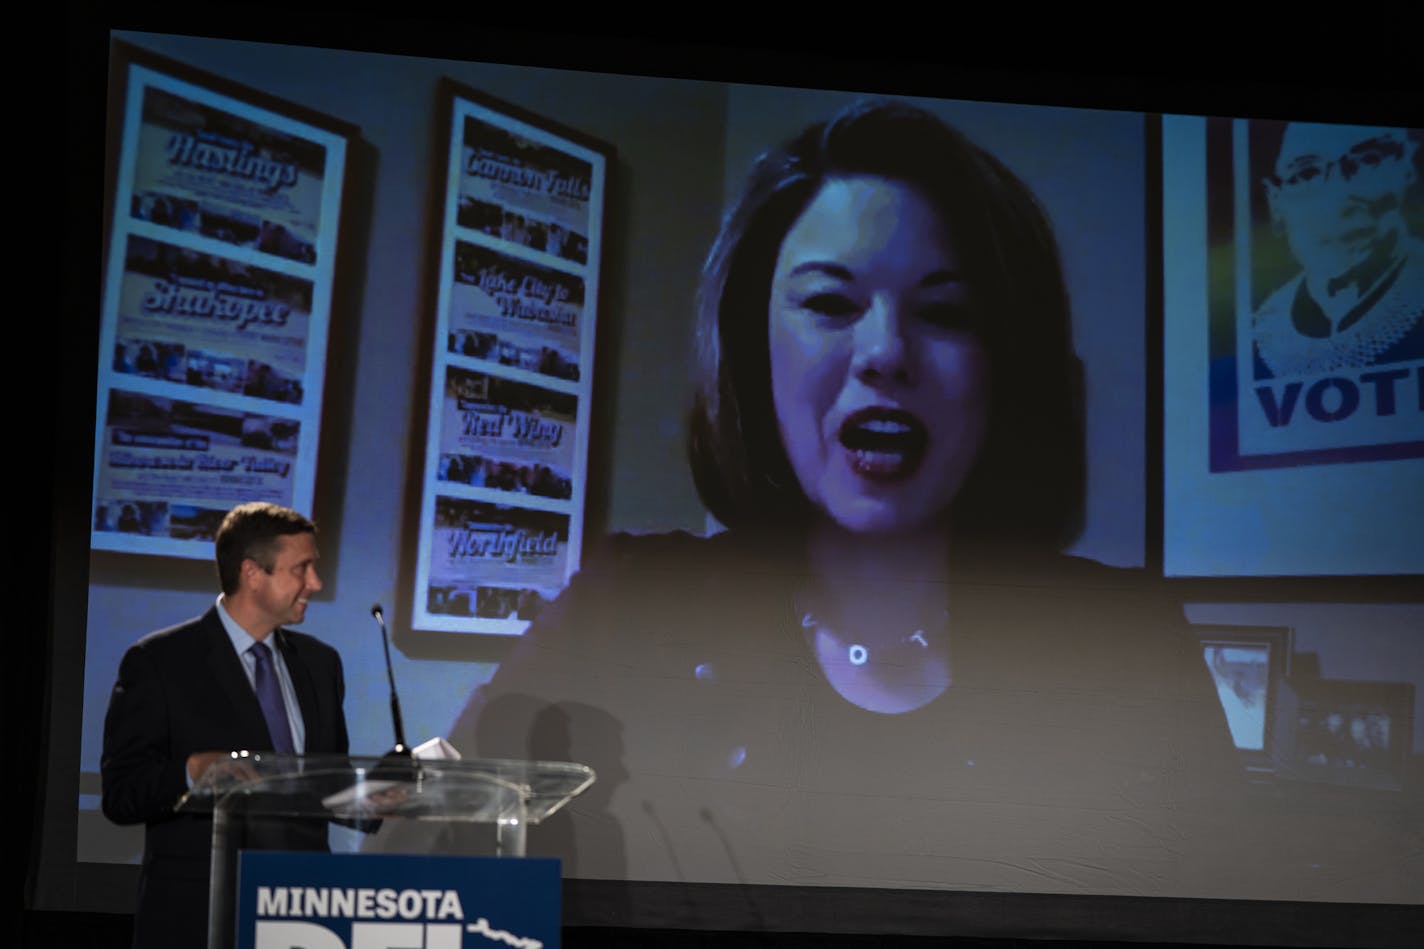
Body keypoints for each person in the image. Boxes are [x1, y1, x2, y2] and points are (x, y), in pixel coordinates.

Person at [449, 101, 1248, 894]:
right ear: (753, 347)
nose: (885, 352)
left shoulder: (1134, 647)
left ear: (1009, 364)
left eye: (945, 311)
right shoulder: (624, 605)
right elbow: (426, 886)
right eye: (830, 304)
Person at [101, 502, 349, 949]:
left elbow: (326, 781)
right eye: (302, 568)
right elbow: (122, 794)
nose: (316, 583)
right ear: (252, 573)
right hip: (199, 917)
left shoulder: (320, 663)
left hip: (304, 916)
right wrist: (193, 770)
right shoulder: (160, 662)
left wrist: (375, 793)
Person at [1253, 122, 1423, 378]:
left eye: (1369, 161)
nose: (1339, 196)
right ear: (1275, 201)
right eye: (1307, 174)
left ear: (1407, 170)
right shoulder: (1262, 329)